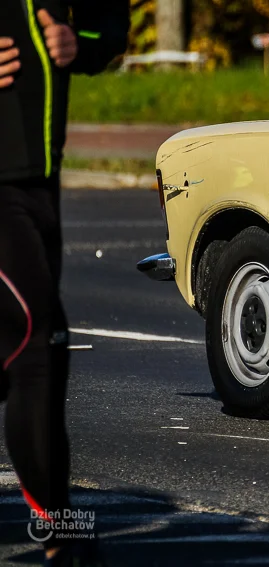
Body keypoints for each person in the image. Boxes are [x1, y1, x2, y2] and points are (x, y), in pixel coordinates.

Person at [0, 1, 129, 565]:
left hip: (39, 182)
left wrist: (83, 42)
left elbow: (110, 26)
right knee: (37, 341)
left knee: (37, 353)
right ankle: (60, 532)